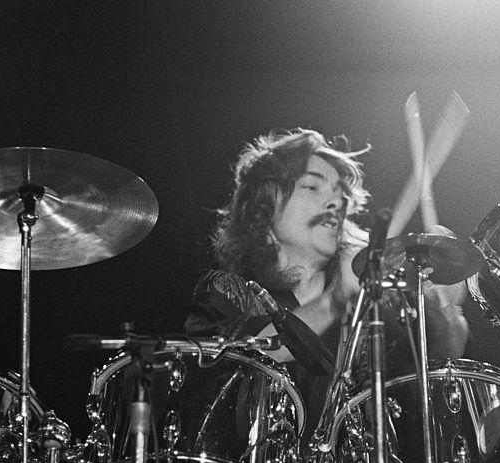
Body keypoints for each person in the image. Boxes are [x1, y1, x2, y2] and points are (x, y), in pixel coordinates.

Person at [184, 128, 469, 415]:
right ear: (265, 207)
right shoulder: (227, 291)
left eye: (340, 193)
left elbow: (414, 405)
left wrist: (445, 322)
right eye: (312, 186)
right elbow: (236, 365)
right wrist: (332, 301)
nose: (336, 202)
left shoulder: (369, 314)